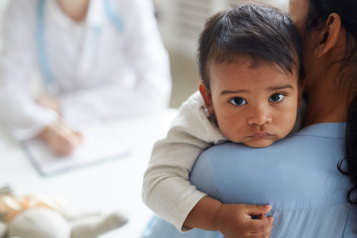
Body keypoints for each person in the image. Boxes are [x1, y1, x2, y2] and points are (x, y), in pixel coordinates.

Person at [142, 0, 357, 237]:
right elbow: (157, 182)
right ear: (210, 100)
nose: (259, 118)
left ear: (299, 86)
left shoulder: (298, 103)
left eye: (276, 96)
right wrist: (216, 215)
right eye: (238, 101)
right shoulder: (198, 120)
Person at [0, 0, 171, 155]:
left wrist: (62, 106)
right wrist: (46, 128)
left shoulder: (130, 4)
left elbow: (155, 91)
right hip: (63, 129)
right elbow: (7, 93)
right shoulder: (22, 7)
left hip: (123, 119)